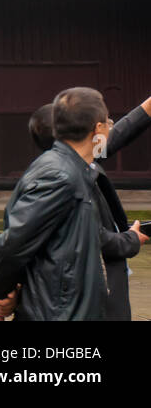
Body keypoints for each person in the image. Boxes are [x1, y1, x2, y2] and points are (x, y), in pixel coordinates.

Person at [0, 88, 111, 321]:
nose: (111, 129)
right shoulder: (59, 175)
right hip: (58, 312)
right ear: (98, 129)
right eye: (108, 123)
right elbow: (14, 243)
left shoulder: (75, 168)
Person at [22, 95, 151, 321]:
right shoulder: (65, 178)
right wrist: (130, 239)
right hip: (86, 291)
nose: (104, 130)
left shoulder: (76, 163)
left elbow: (118, 135)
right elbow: (92, 235)